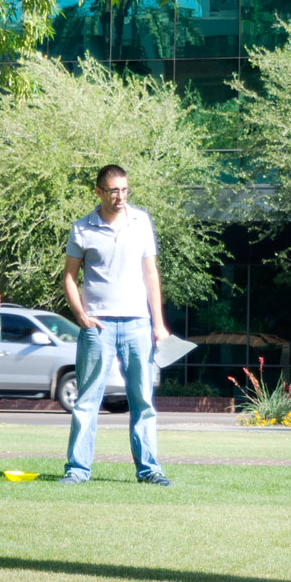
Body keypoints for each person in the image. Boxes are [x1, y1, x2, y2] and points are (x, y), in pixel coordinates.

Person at [59, 164, 173, 486]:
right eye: (113, 190)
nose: (120, 196)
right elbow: (69, 276)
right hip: (99, 328)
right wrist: (81, 315)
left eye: (124, 190)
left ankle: (149, 470)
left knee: (143, 402)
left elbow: (151, 274)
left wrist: (158, 323)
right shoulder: (82, 228)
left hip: (138, 324)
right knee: (86, 403)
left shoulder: (141, 222)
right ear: (99, 192)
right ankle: (77, 471)